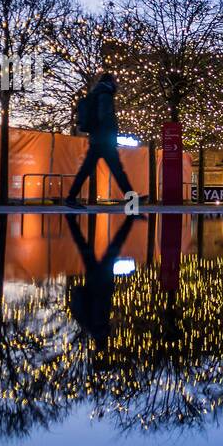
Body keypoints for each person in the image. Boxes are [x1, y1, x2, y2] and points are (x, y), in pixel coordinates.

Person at [65, 213, 136, 350]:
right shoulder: (91, 326)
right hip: (93, 281)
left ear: (104, 340)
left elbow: (100, 303)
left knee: (114, 247)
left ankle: (130, 220)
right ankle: (71, 221)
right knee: (84, 246)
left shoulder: (100, 324)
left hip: (100, 281)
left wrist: (109, 287)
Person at [66, 73, 132, 208]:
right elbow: (105, 116)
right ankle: (133, 202)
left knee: (86, 171)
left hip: (96, 139)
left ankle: (70, 198)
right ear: (110, 81)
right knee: (118, 171)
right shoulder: (105, 94)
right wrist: (111, 136)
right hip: (104, 141)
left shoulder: (96, 93)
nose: (116, 83)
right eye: (115, 80)